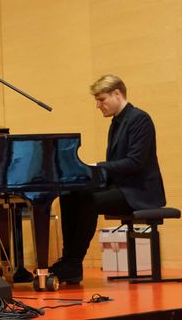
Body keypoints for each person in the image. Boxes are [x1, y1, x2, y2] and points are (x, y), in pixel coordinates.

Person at [50, 74, 166, 284]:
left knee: (88, 201)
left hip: (139, 192)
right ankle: (69, 261)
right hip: (122, 187)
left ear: (117, 93)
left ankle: (74, 261)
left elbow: (134, 163)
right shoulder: (117, 122)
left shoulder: (140, 119)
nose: (98, 105)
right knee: (69, 194)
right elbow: (118, 166)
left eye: (101, 99)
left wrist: (97, 166)